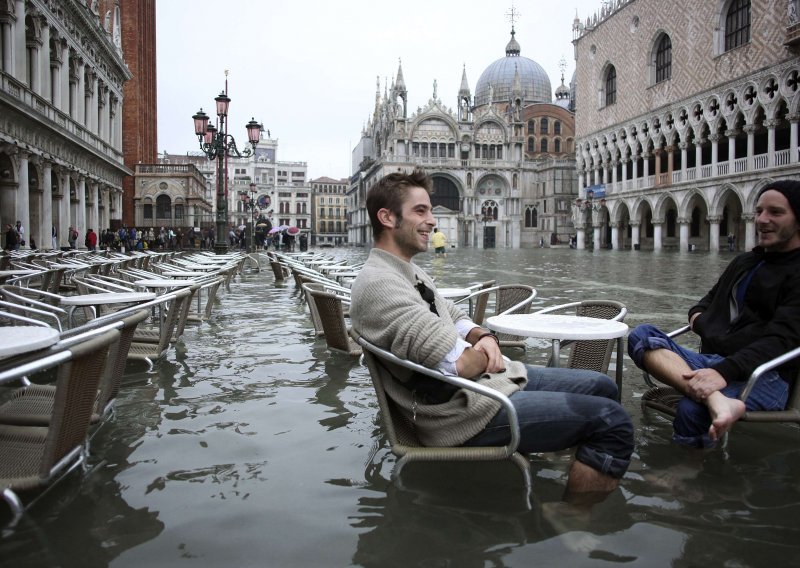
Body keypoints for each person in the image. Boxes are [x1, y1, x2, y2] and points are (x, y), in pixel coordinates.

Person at [349, 170, 634, 500]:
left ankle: (580, 457)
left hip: (484, 388)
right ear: (387, 217)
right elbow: (462, 366)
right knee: (612, 421)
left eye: (431, 210)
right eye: (421, 211)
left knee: (603, 385)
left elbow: (452, 314)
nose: (433, 222)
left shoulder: (407, 269)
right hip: (463, 414)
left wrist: (482, 335)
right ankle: (573, 518)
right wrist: (484, 354)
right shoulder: (380, 284)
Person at [628, 180, 800, 448]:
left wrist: (723, 369)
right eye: (758, 211)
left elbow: (780, 341)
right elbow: (701, 307)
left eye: (776, 212)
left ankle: (691, 474)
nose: (762, 220)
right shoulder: (745, 262)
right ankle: (717, 401)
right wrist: (710, 331)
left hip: (766, 375)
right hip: (715, 361)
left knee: (690, 409)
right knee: (641, 335)